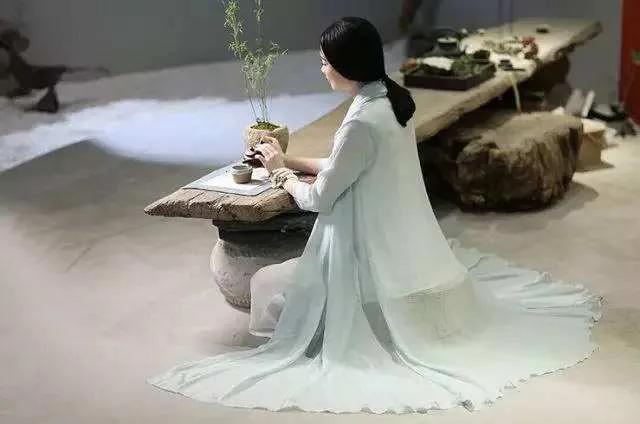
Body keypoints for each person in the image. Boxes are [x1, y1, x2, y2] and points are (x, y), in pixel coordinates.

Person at [149, 17, 601, 414]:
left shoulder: (361, 122)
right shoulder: (389, 101)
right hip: (397, 241)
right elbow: (347, 165)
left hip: (361, 248)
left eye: (325, 62)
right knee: (278, 287)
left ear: (345, 66)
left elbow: (319, 198)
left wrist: (281, 175)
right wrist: (288, 160)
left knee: (272, 290)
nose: (321, 68)